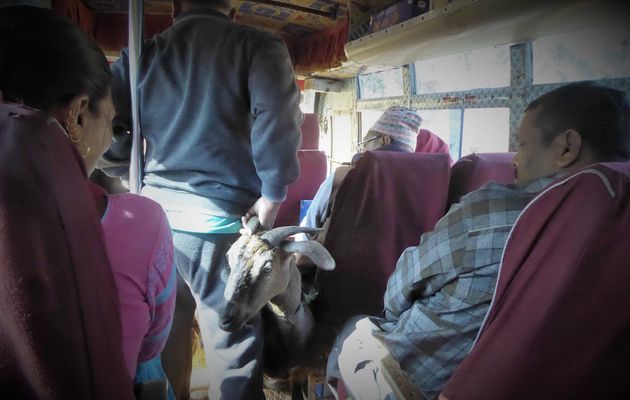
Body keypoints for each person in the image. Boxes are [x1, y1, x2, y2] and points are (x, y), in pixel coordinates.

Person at [325, 82, 630, 400]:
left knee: (353, 329)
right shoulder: (613, 226)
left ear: (567, 148)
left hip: (416, 379)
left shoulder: (497, 210)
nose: (514, 160)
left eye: (523, 146)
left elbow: (400, 289)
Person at [99, 0, 303, 398]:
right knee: (232, 348)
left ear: (175, 5)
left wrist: (126, 167)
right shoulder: (258, 46)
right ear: (231, 6)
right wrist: (272, 196)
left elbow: (101, 121)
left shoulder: (143, 55)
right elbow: (277, 115)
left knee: (162, 347)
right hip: (224, 228)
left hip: (155, 226)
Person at [0, 5, 177, 398]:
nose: (110, 141)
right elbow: (151, 344)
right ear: (78, 116)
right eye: (111, 123)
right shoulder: (141, 222)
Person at [300, 106, 424, 238]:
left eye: (366, 143)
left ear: (385, 140)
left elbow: (307, 229)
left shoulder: (343, 177)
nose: (363, 149)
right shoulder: (425, 187)